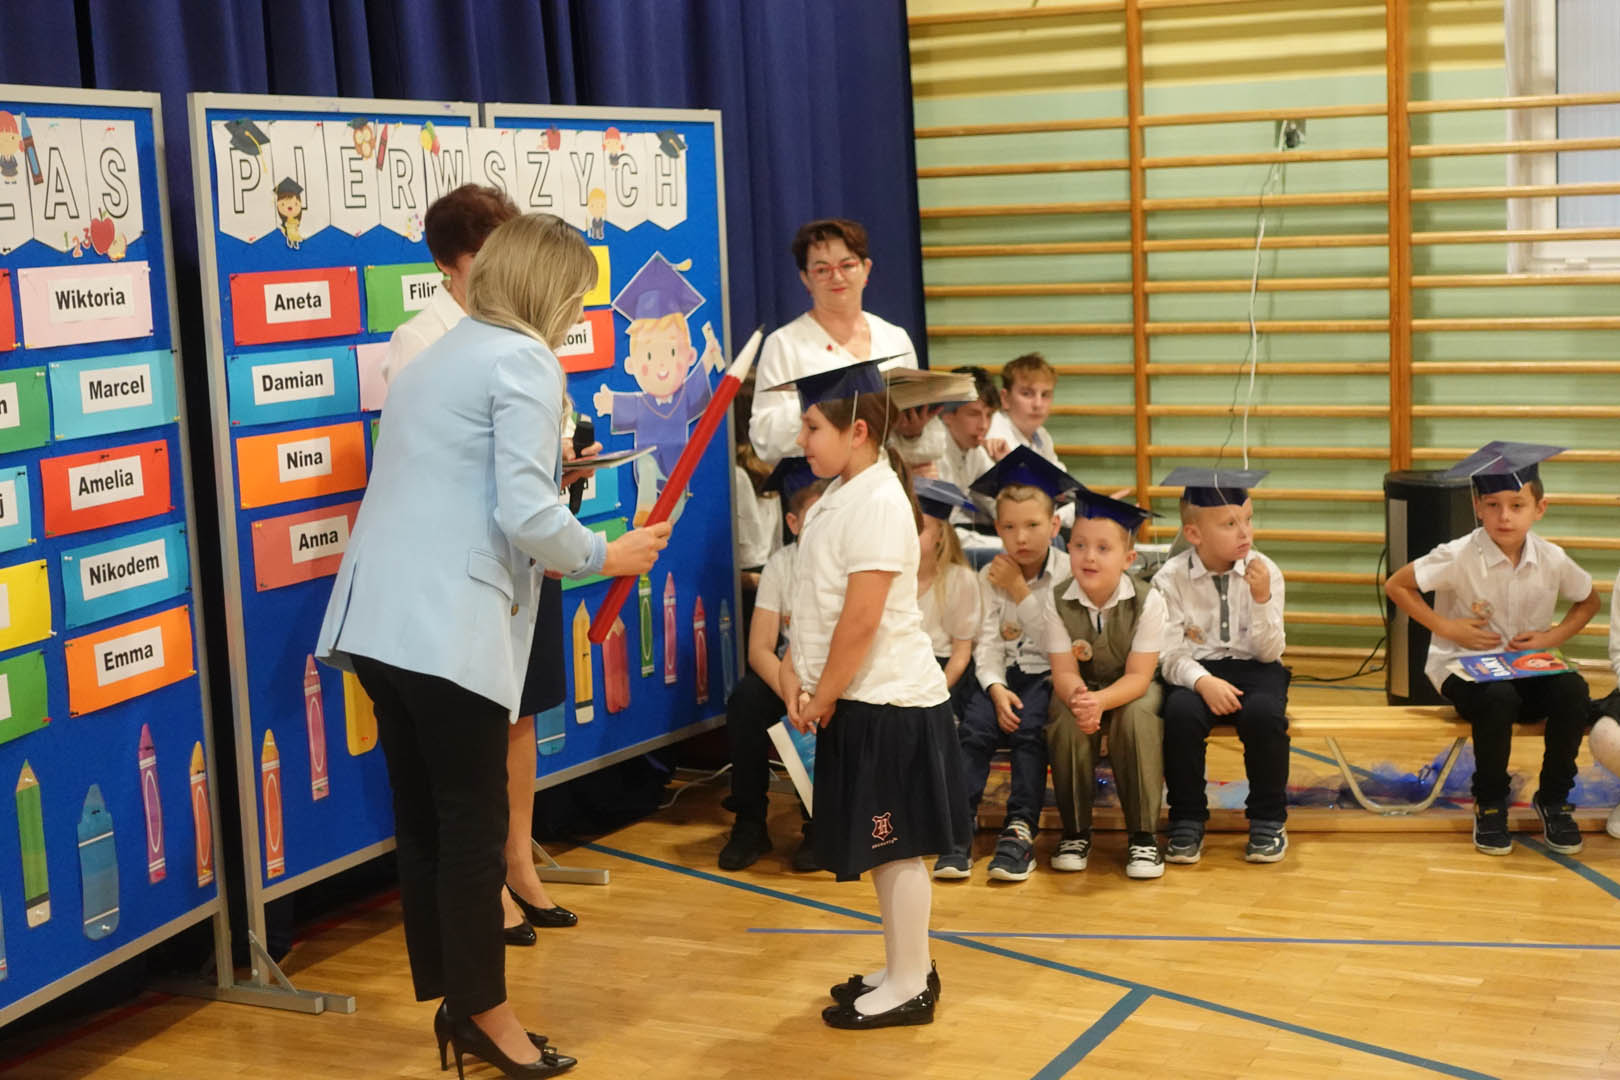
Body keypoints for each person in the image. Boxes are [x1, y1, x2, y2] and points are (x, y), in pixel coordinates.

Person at [317, 214, 671, 1077]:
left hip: (378, 626)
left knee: (429, 827)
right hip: (447, 631)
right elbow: (524, 511)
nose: (575, 315)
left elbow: (460, 489)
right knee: (472, 832)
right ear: (550, 291)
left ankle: (460, 1004)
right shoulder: (523, 358)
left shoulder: (434, 354)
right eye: (576, 298)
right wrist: (605, 554)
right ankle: (487, 1018)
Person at [379, 183, 583, 945]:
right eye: (489, 250)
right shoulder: (424, 340)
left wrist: (564, 457)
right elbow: (442, 462)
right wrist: (596, 549)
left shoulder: (525, 336)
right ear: (451, 262)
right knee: (467, 750)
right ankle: (482, 893)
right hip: (467, 572)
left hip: (524, 554)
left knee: (522, 712)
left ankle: (519, 862)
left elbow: (538, 445)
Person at [771, 356, 963, 1029]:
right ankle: (904, 964)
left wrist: (822, 695)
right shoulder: (839, 495)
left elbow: (861, 619)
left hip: (890, 706)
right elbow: (817, 603)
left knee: (897, 846)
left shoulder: (879, 501)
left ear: (856, 431)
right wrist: (795, 669)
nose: (802, 440)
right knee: (887, 849)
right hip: (857, 699)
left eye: (812, 427)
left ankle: (911, 983)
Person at [1385, 442, 1598, 856]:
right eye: (1493, 505)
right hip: (1464, 670)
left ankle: (1554, 800)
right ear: (1477, 507)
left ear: (1539, 509)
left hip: (1526, 668)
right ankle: (1490, 803)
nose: (1505, 516)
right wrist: (1446, 627)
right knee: (1499, 698)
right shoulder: (1458, 555)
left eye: (1517, 505)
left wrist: (1551, 638)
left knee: (1573, 690)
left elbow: (1588, 600)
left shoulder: (1552, 558)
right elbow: (1397, 585)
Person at [935, 448, 1075, 884]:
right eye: (1010, 527)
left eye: (1033, 525)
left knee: (1030, 733)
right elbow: (988, 646)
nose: (1021, 537)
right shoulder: (987, 578)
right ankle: (959, 829)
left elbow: (1056, 644)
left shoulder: (1068, 574)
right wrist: (994, 688)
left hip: (1050, 677)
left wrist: (1019, 590)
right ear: (997, 529)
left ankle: (1020, 830)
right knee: (974, 729)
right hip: (1001, 678)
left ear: (1054, 525)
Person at [1155, 467, 1289, 866]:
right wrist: (1203, 682)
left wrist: (1262, 599)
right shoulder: (1170, 579)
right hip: (1195, 670)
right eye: (1230, 524)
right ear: (1194, 534)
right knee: (1179, 715)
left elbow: (1270, 653)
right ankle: (1186, 819)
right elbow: (1168, 655)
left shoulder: (1266, 571)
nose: (1245, 532)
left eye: (1248, 519)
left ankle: (1268, 819)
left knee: (1264, 716)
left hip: (1256, 668)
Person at [1040, 489, 1166, 879]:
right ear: (1068, 548)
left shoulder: (1148, 601)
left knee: (1137, 717)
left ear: (1128, 559)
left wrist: (1100, 702)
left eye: (1103, 548)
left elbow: (1139, 677)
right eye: (1079, 545)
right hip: (1082, 687)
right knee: (1065, 717)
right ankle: (1075, 831)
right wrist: (1080, 699)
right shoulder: (1056, 600)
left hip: (1130, 689)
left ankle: (1143, 835)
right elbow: (1063, 671)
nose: (1089, 557)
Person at [718, 457, 828, 873]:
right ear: (793, 524)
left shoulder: (849, 564)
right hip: (789, 674)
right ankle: (749, 822)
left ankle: (820, 824)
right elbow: (760, 648)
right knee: (746, 700)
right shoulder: (782, 565)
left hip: (835, 676)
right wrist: (791, 693)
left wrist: (818, 693)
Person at [749, 218, 919, 465]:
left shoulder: (895, 338)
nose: (836, 277)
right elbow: (763, 437)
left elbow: (906, 436)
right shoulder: (783, 344)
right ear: (805, 278)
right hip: (813, 480)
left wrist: (913, 432)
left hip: (885, 475)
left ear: (866, 269)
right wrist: (822, 403)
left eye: (847, 265)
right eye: (822, 270)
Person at [914, 478, 981, 719]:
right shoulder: (889, 577)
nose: (909, 535)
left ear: (940, 535)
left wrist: (934, 693)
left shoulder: (960, 580)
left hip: (942, 674)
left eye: (920, 528)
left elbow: (961, 653)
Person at [933, 366, 1005, 563]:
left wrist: (1003, 466)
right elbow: (940, 531)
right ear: (947, 415)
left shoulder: (976, 452)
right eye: (974, 414)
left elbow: (998, 505)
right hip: (939, 545)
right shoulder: (933, 452)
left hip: (957, 536)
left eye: (989, 415)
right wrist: (1003, 544)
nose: (984, 425)